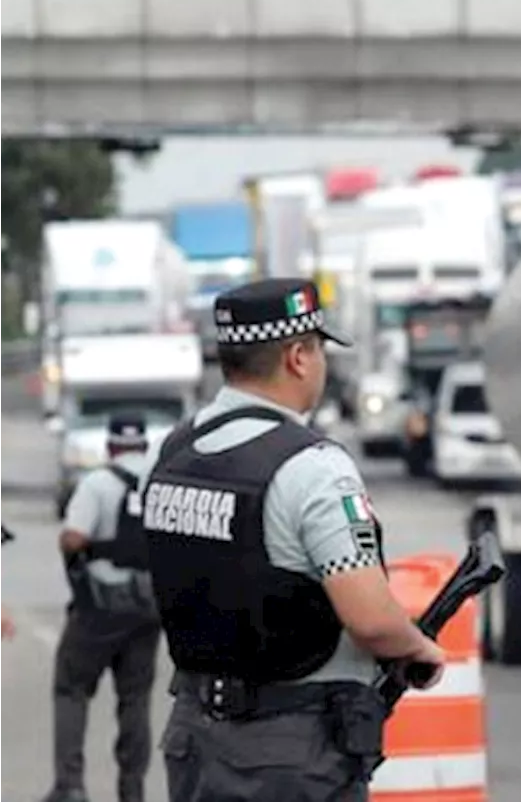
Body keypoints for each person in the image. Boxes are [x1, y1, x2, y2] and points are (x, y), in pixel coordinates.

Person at [137, 278, 446, 802]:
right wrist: (419, 647)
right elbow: (371, 618)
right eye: (321, 350)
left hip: (194, 736)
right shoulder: (312, 468)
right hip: (290, 751)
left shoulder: (175, 449)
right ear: (298, 357)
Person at [43, 412, 162, 802]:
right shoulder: (158, 483)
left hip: (99, 607)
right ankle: (132, 788)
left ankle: (71, 785)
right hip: (148, 608)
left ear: (110, 446)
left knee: (71, 689)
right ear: (144, 444)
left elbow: (73, 537)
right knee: (135, 699)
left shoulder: (97, 482)